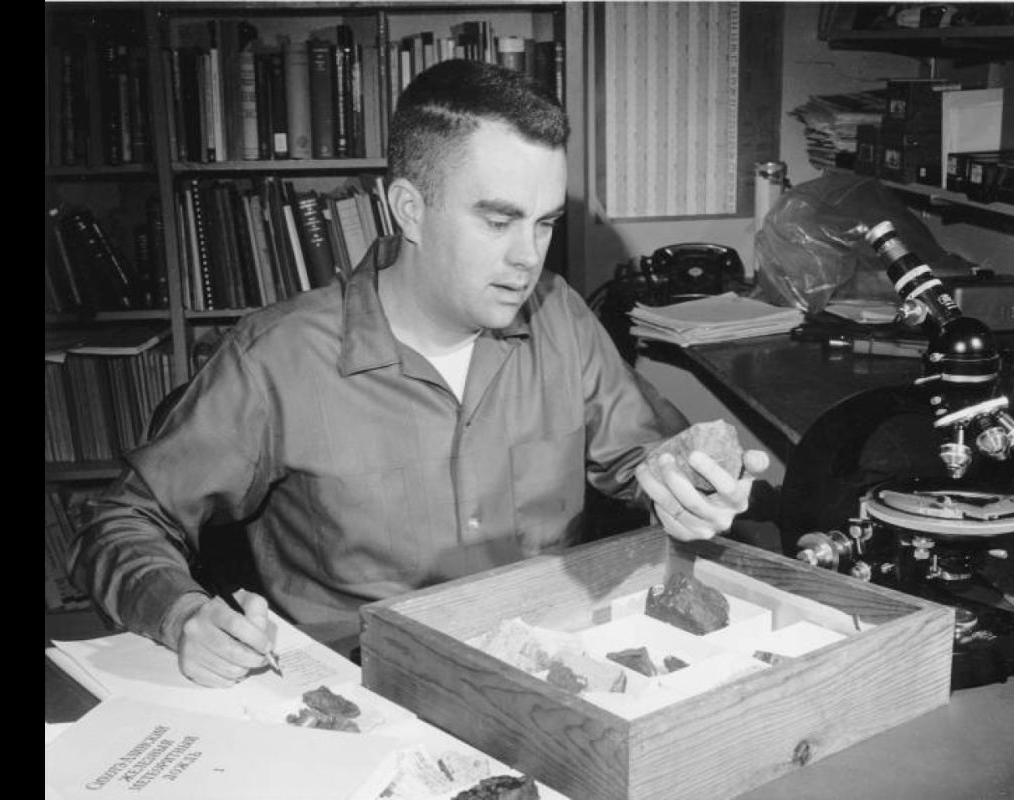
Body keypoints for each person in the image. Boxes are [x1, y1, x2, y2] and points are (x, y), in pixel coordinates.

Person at [69, 59, 768, 688]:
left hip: (548, 679)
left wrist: (683, 478)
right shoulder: (277, 359)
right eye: (498, 221)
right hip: (366, 699)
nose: (530, 258)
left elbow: (644, 460)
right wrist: (182, 613)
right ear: (410, 209)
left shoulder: (563, 319)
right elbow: (124, 519)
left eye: (545, 222)